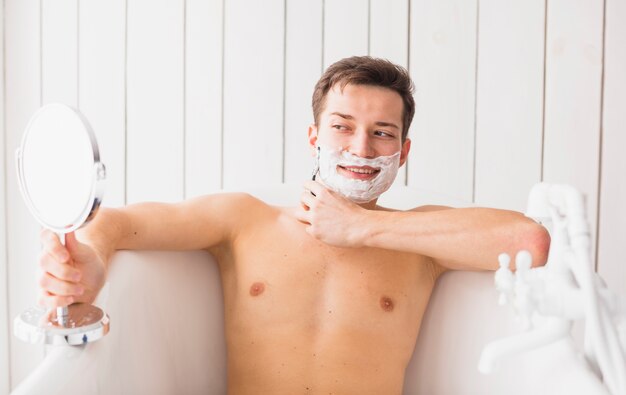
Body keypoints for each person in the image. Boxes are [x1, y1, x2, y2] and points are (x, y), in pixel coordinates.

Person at [37, 56, 550, 394]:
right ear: (313, 136)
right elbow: (119, 224)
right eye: (342, 127)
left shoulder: (419, 238)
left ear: (404, 151)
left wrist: (362, 228)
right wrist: (92, 260)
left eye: (382, 133)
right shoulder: (243, 219)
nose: (360, 148)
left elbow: (530, 241)